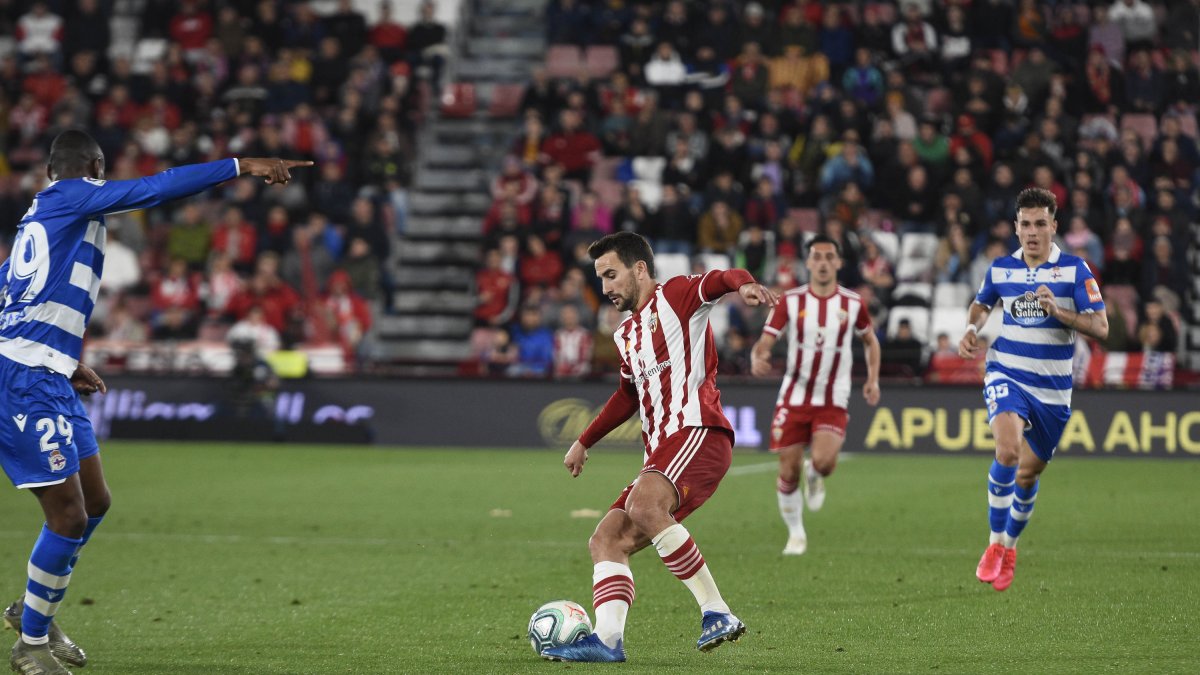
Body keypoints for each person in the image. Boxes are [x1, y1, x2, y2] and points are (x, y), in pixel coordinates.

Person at [0, 129, 310, 675]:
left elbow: (13, 296)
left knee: (95, 503)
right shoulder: (73, 197)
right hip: (24, 379)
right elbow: (157, 186)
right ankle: (31, 644)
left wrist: (65, 358)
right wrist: (244, 165)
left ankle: (34, 609)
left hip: (46, 370)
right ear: (94, 167)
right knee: (67, 515)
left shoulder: (46, 215)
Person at [541, 232, 776, 663]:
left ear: (640, 269)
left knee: (645, 506)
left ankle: (717, 611)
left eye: (611, 275)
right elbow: (627, 396)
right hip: (662, 452)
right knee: (607, 538)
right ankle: (608, 641)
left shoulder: (679, 296)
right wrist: (583, 440)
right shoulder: (626, 334)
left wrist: (743, 284)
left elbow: (721, 278)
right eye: (600, 279)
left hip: (698, 431)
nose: (606, 288)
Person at [958, 188, 1108, 592]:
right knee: (1007, 451)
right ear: (1016, 227)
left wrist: (1057, 311)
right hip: (1005, 370)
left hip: (1053, 394)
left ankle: (1010, 546)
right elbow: (982, 303)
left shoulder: (1075, 271)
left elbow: (1101, 327)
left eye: (1041, 223)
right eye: (1025, 224)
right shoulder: (1001, 268)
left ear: (1054, 226)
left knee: (1027, 475)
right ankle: (993, 545)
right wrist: (972, 330)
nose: (1032, 231)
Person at [749, 234, 881, 555]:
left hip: (833, 397)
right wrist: (758, 356)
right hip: (794, 395)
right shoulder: (790, 302)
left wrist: (873, 379)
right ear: (807, 263)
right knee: (787, 469)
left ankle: (815, 473)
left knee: (823, 462)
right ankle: (796, 534)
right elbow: (766, 340)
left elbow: (870, 341)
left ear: (838, 262)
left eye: (828, 257)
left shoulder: (852, 303)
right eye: (817, 257)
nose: (822, 263)